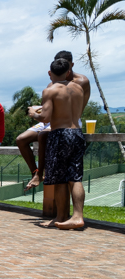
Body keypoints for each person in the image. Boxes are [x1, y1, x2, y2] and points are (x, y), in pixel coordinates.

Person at [20, 50, 91, 190]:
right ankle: (35, 172)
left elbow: (62, 107)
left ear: (71, 66)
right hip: (56, 122)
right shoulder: (52, 85)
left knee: (43, 135)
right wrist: (40, 108)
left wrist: (33, 113)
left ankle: (40, 174)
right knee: (21, 139)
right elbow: (48, 107)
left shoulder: (80, 82)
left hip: (67, 123)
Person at [38, 58, 88, 229]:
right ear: (68, 72)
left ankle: (60, 216)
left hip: (60, 134)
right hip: (77, 133)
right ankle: (77, 216)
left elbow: (45, 117)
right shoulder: (78, 88)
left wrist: (33, 113)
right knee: (75, 177)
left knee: (59, 179)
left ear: (49, 73)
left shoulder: (50, 90)